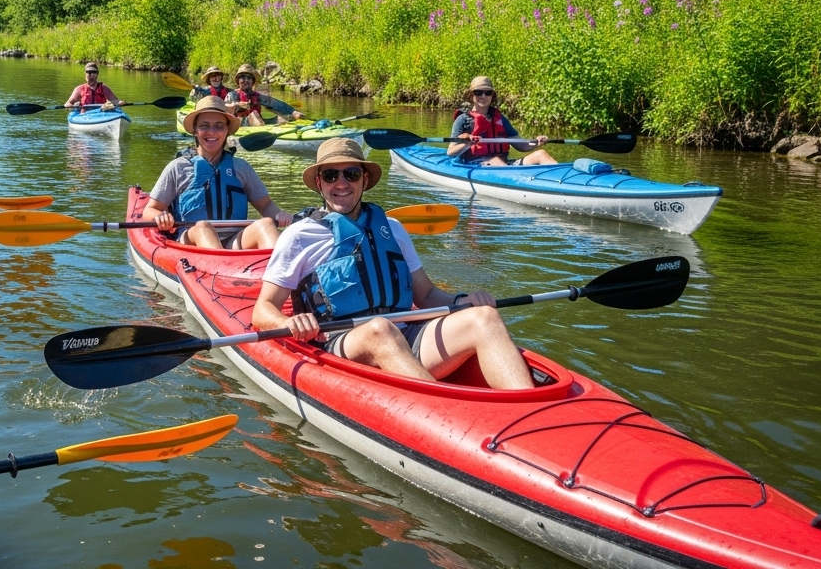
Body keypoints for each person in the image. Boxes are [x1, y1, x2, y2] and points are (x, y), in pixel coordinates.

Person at [252, 138, 533, 389]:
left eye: (351, 174)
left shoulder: (393, 229)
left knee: (485, 318)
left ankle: (529, 409)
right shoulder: (299, 236)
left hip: (403, 336)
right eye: (330, 175)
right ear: (319, 182)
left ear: (364, 180)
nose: (341, 183)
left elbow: (425, 295)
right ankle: (441, 408)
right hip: (338, 344)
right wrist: (289, 322)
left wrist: (464, 301)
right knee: (380, 329)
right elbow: (263, 310)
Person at [145, 96, 294, 250]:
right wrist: (159, 216)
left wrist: (279, 214)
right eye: (204, 126)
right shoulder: (178, 167)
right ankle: (220, 263)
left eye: (219, 126)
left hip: (234, 240)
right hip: (191, 240)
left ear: (227, 130)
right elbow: (150, 209)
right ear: (195, 130)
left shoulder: (241, 167)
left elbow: (266, 205)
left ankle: (277, 265)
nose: (212, 132)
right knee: (203, 227)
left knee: (267, 224)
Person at [446, 76, 557, 166]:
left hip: (504, 164)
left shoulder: (500, 119)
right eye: (478, 92)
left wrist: (536, 142)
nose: (483, 96)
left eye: (488, 93)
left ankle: (563, 182)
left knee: (541, 154)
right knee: (496, 161)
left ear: (492, 96)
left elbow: (521, 145)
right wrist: (467, 144)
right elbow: (451, 152)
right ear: (471, 95)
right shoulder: (462, 120)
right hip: (475, 165)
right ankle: (514, 183)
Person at [228, 63, 302, 126]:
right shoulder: (232, 95)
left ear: (253, 82)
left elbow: (275, 104)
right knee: (254, 116)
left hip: (259, 122)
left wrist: (293, 112)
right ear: (238, 81)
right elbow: (227, 110)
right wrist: (238, 105)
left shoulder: (258, 96)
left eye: (249, 78)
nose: (246, 80)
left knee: (287, 118)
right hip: (240, 124)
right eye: (243, 77)